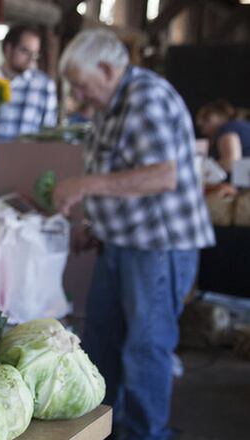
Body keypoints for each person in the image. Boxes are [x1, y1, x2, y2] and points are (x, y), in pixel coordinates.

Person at [53, 29, 214, 440]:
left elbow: (162, 176)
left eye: (81, 85)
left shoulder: (146, 97)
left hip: (157, 247)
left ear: (108, 69)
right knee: (100, 343)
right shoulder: (111, 102)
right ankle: (105, 430)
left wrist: (84, 186)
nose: (78, 96)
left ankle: (146, 434)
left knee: (145, 348)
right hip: (121, 243)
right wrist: (95, 225)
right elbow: (121, 173)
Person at [0, 24, 58, 145]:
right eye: (25, 51)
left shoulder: (44, 85)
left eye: (35, 54)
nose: (31, 59)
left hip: (27, 155)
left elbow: (49, 132)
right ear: (8, 48)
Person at [196, 99, 250, 174]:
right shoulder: (239, 126)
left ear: (221, 115)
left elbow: (231, 162)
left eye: (206, 118)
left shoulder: (227, 127)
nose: (200, 122)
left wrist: (200, 170)